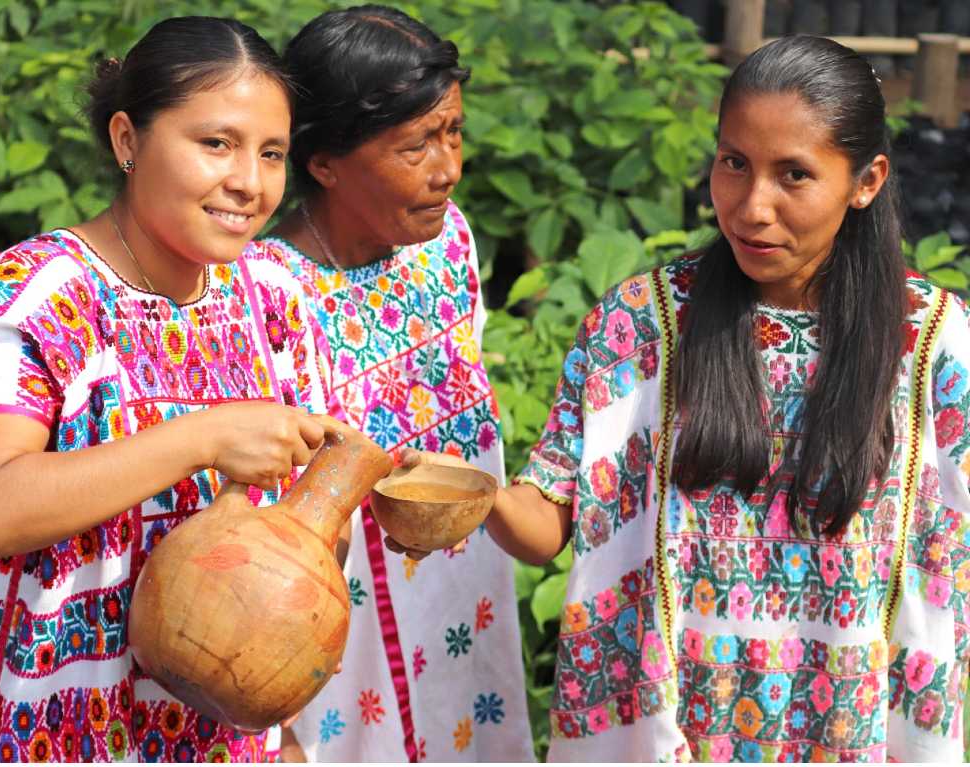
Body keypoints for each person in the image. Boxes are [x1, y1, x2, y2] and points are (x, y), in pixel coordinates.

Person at [409, 35, 970, 760]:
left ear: (866, 181)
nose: (752, 206)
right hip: (673, 737)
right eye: (734, 162)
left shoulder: (932, 348)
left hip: (852, 739)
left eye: (793, 175)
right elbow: (549, 521)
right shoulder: (639, 326)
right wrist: (466, 493)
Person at [0, 16, 335, 762]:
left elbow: (306, 522)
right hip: (49, 733)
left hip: (221, 737)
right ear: (128, 140)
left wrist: (278, 729)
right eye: (216, 143)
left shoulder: (273, 295)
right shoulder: (37, 296)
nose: (249, 183)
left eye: (272, 153)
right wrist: (202, 438)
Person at [262, 5, 533, 762]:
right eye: (416, 145)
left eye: (453, 131)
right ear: (324, 163)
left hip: (465, 604)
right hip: (335, 647)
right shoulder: (262, 290)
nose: (448, 167)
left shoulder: (447, 243)